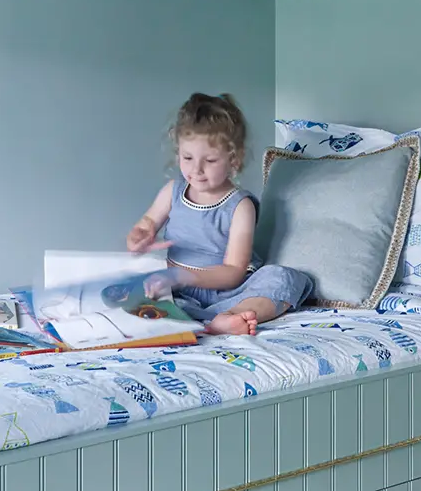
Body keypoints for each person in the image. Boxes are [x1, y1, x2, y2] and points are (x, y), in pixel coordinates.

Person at [125, 93, 314, 335]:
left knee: (285, 278)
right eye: (187, 157)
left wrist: (182, 276)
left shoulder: (239, 206)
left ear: (234, 159)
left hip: (227, 291)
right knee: (133, 287)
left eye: (210, 160)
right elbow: (148, 222)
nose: (196, 169)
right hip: (176, 290)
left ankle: (231, 317)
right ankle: (193, 319)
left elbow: (234, 272)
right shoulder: (173, 191)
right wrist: (141, 234)